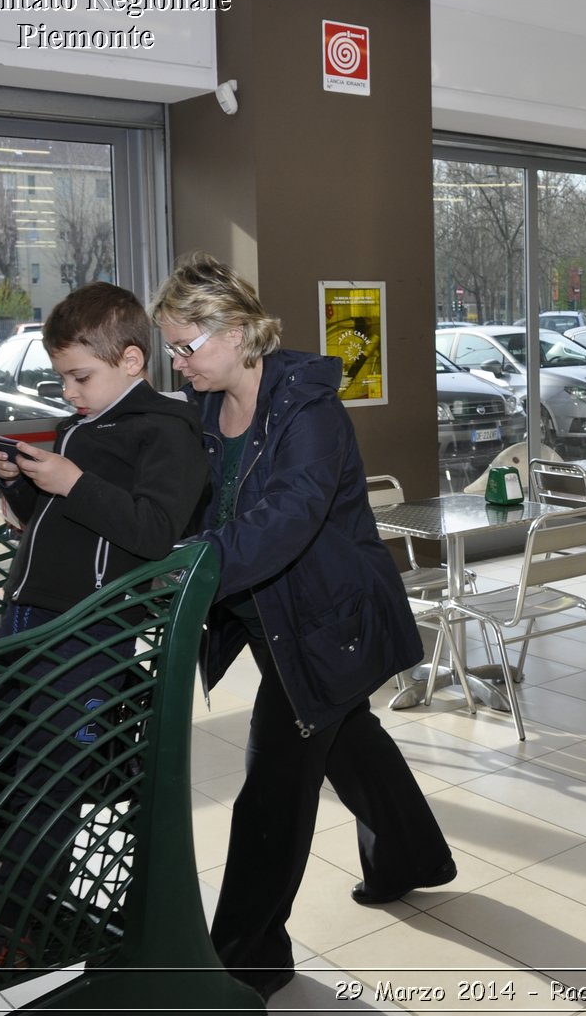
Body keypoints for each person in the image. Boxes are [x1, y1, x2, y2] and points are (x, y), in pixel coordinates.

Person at [151, 253, 453, 1002]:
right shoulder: (203, 410)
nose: (179, 361)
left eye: (188, 345)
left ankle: (245, 959)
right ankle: (410, 855)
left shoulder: (309, 411)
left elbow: (286, 519)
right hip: (269, 617)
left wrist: (194, 563)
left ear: (240, 331)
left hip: (325, 625)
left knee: (274, 783)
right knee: (350, 740)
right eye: (173, 348)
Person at [0, 283, 208, 1001]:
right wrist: (18, 482)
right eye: (63, 378)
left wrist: (71, 478)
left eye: (81, 376)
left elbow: (152, 531)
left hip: (89, 633)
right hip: (26, 617)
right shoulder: (81, 428)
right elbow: (43, 526)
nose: (69, 392)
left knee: (49, 778)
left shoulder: (165, 430)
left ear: (132, 360)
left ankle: (15, 920)